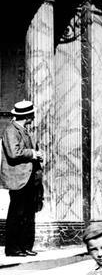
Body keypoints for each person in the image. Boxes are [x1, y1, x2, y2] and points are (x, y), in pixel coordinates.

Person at [2, 100, 45, 257]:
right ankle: (13, 249)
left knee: (27, 214)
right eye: (31, 114)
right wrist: (33, 154)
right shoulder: (10, 131)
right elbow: (14, 153)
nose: (33, 117)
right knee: (17, 214)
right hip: (18, 180)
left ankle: (24, 246)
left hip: (27, 179)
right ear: (26, 116)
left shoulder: (24, 130)